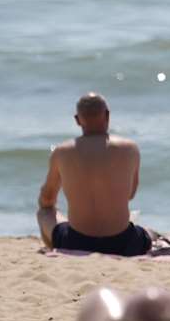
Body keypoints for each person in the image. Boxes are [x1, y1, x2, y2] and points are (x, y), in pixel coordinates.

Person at [36, 92, 152, 256]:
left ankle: (54, 250)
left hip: (76, 242)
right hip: (123, 242)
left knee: (44, 212)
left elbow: (47, 200)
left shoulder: (62, 151)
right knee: (144, 232)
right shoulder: (130, 148)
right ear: (107, 115)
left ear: (77, 120)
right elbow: (130, 195)